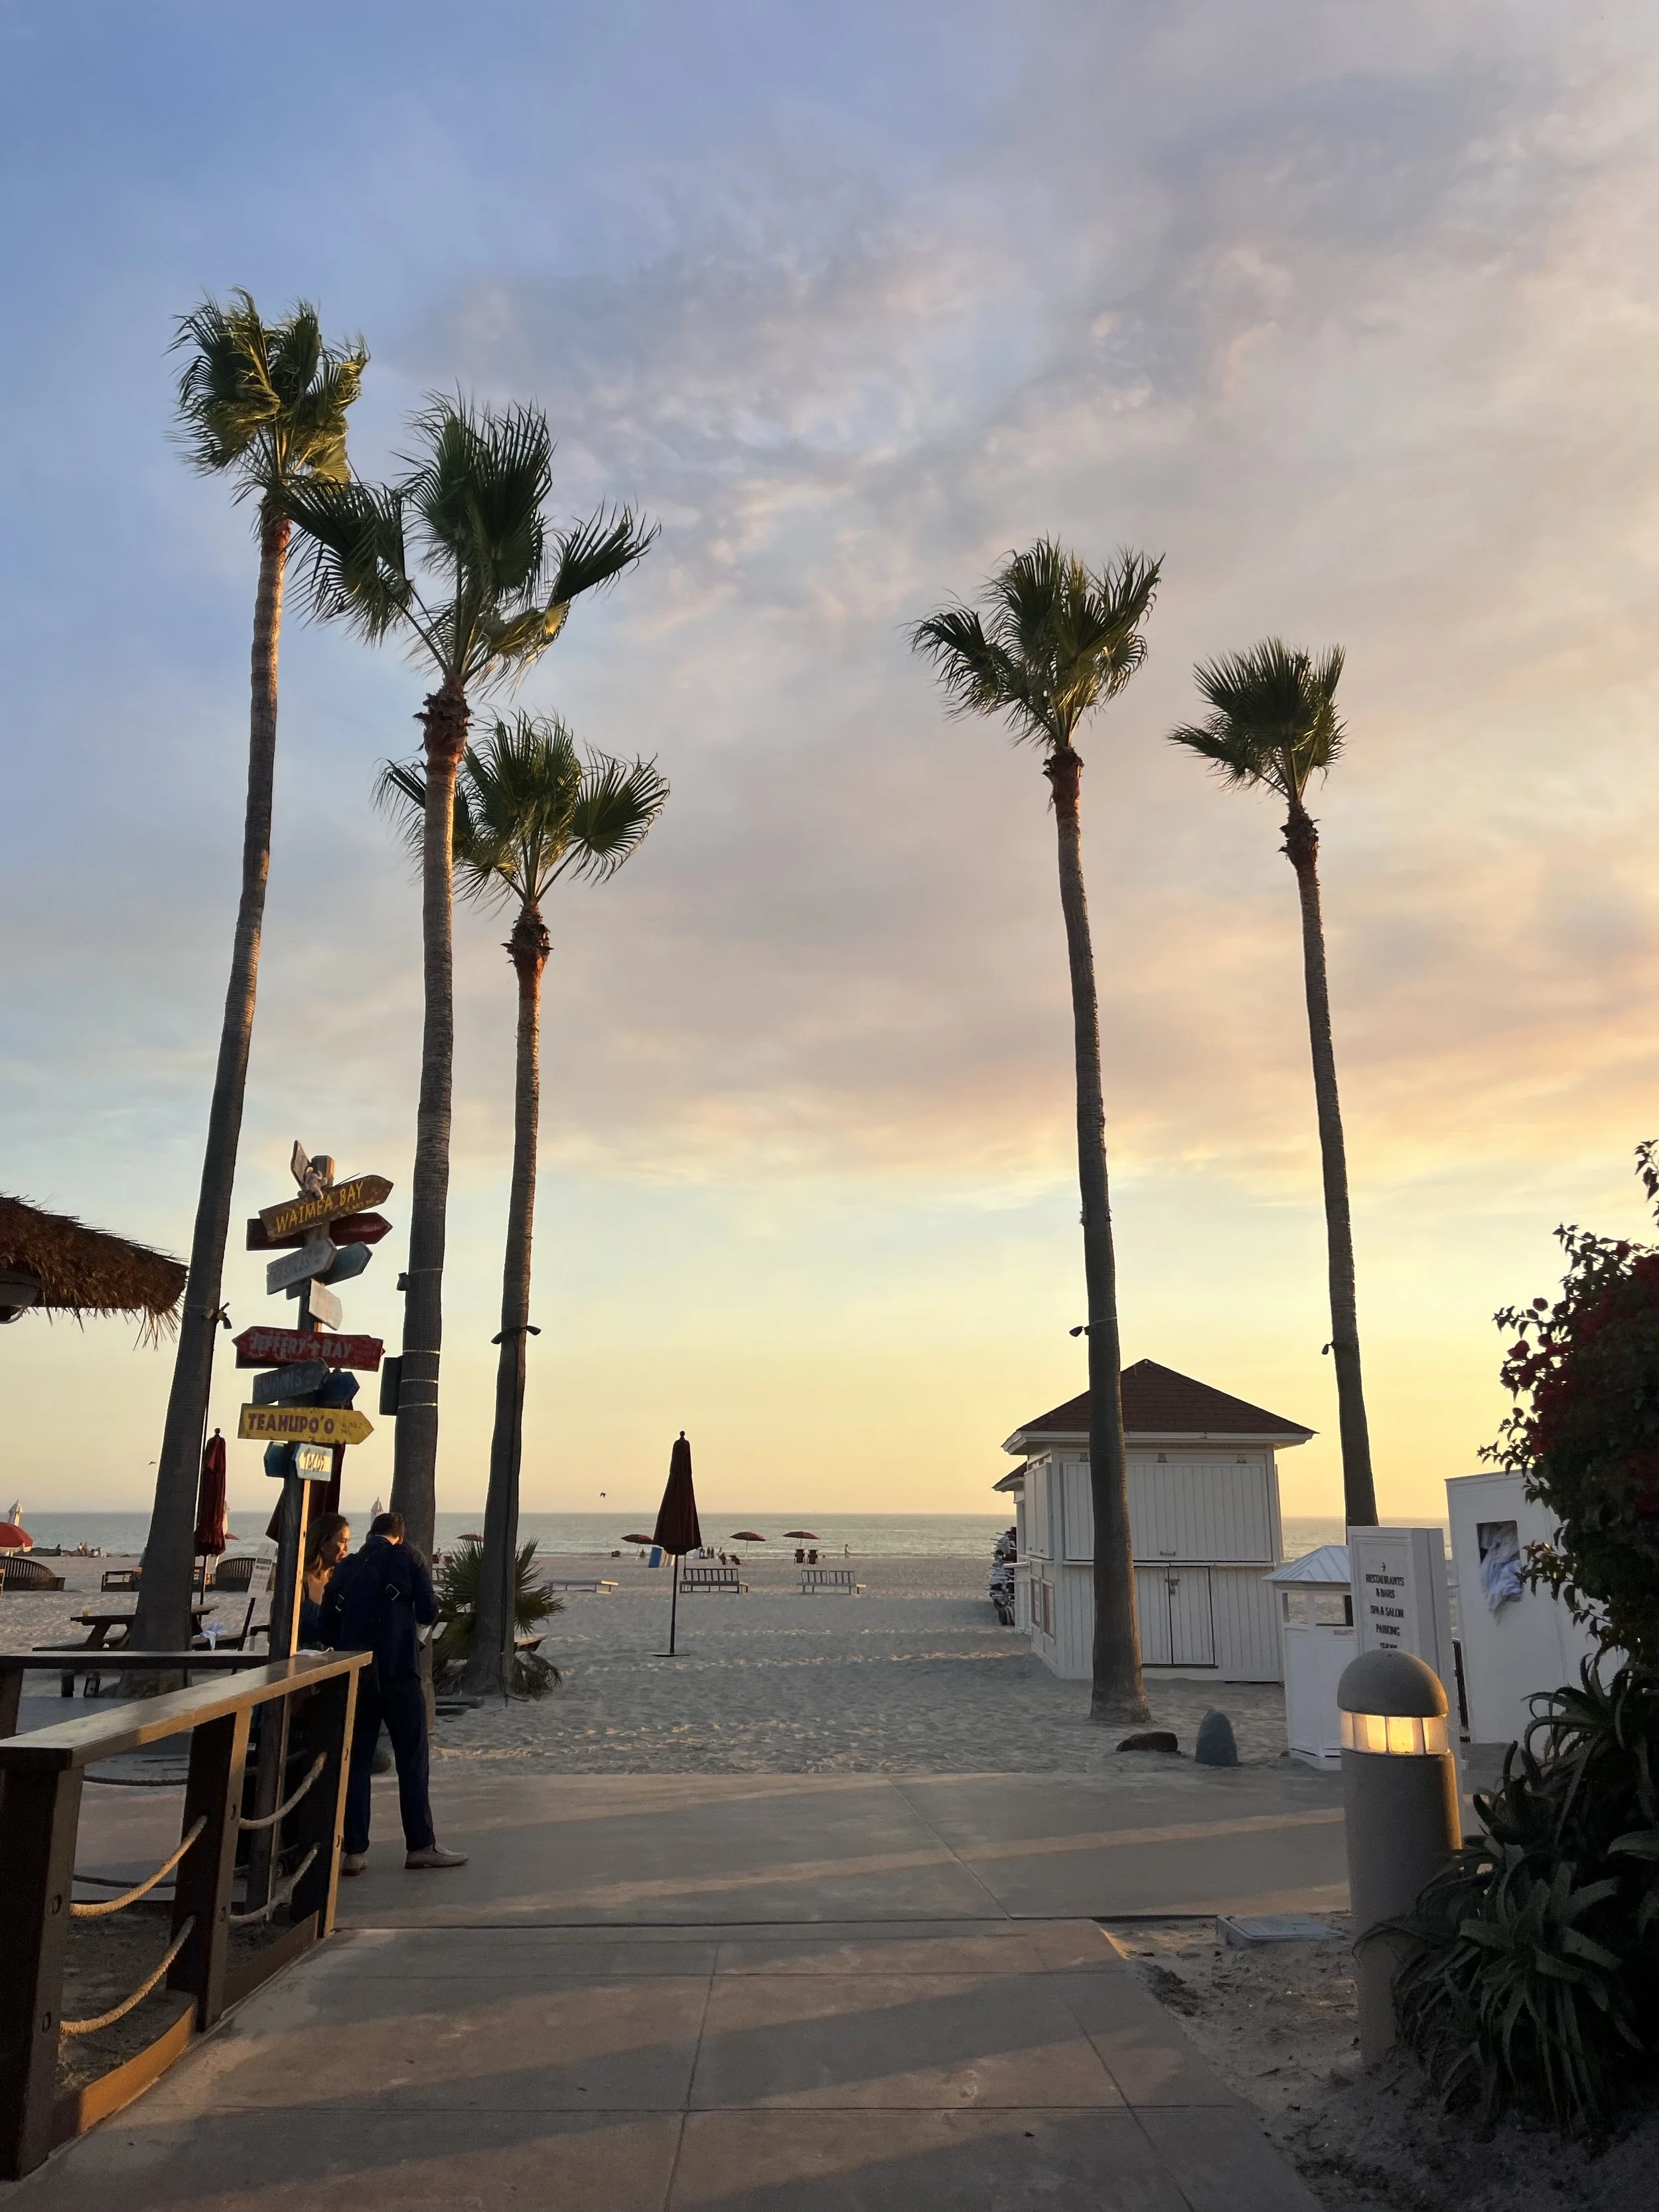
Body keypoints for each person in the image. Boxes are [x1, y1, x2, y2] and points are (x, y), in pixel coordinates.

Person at [319, 1511, 467, 1874]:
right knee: (412, 1758)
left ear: (371, 1534)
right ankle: (420, 1845)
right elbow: (430, 1610)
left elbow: (325, 1627)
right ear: (399, 1536)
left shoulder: (347, 1567)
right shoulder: (409, 1558)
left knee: (358, 1761)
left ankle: (353, 1851)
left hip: (358, 1672)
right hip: (399, 1670)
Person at [299, 1511, 350, 1648]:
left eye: (347, 1542)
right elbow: (278, 1633)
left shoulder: (340, 1581)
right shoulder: (300, 1582)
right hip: (304, 1664)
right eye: (342, 1541)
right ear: (322, 1543)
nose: (346, 1548)